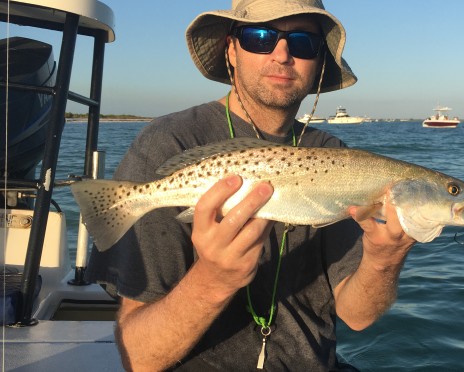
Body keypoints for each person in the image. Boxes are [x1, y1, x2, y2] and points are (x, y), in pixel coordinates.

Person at [85, 0, 415, 370]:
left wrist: (385, 259)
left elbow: (356, 315)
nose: (282, 53)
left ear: (320, 62)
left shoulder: (335, 155)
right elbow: (140, 359)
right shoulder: (168, 142)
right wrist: (212, 280)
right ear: (231, 48)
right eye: (260, 37)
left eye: (303, 42)